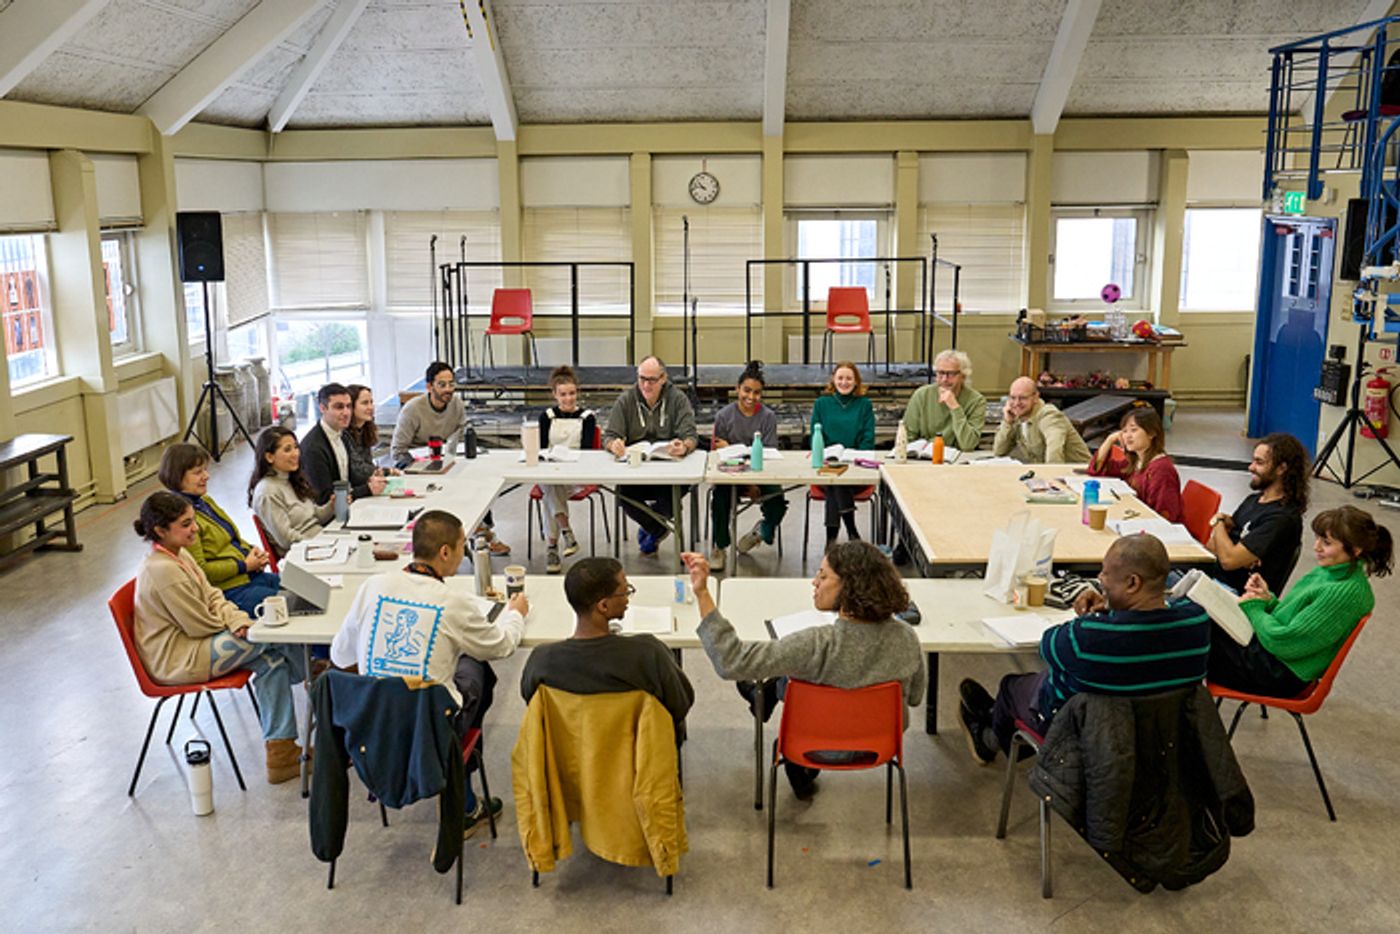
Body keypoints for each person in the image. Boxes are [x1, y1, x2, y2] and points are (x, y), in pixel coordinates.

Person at [331, 509, 529, 836]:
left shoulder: (373, 585)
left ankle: (456, 789)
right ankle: (461, 799)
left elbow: (340, 655)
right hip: (432, 725)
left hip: (372, 724)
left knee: (458, 662)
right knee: (477, 665)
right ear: (445, 552)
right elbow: (503, 645)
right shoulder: (453, 600)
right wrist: (515, 614)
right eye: (462, 546)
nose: (464, 553)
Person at [683, 542, 924, 800]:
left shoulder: (814, 644)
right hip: (881, 743)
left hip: (808, 743)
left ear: (850, 586)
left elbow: (731, 661)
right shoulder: (906, 638)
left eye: (823, 576)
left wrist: (702, 593)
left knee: (794, 676)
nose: (814, 582)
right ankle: (766, 695)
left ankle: (763, 694)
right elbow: (915, 696)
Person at [958, 535, 1211, 765]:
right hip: (1162, 739)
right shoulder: (1197, 623)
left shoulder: (1086, 639)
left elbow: (1047, 646)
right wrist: (1114, 610)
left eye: (1106, 573)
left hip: (1078, 734)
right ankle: (990, 717)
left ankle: (988, 739)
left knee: (1011, 688)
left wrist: (1093, 619)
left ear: (1133, 583)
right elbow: (1163, 609)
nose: (1100, 580)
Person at [131, 491, 307, 784]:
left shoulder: (180, 553)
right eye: (186, 524)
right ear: (161, 531)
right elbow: (199, 624)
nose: (195, 529)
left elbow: (213, 596)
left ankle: (282, 753)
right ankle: (312, 678)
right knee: (274, 633)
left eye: (193, 521)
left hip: (201, 641)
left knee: (271, 660)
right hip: (181, 658)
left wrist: (238, 619)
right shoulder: (162, 571)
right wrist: (241, 625)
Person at [1208, 505, 1391, 698]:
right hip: (1272, 657)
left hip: (1279, 674)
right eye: (1318, 538)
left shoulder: (1345, 593)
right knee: (1200, 625)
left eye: (1326, 543)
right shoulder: (1331, 571)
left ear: (1355, 550)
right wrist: (1267, 599)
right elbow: (1296, 620)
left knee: (1193, 635)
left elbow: (1284, 642)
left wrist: (1254, 609)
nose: (1316, 547)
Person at [520, 557, 693, 740]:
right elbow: (681, 703)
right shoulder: (649, 654)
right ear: (603, 605)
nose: (627, 597)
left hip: (570, 759)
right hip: (638, 756)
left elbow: (533, 703)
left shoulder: (542, 660)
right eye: (624, 591)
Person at [392, 362, 510, 557]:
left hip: (446, 461)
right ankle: (479, 534)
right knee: (455, 490)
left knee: (480, 482)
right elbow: (397, 451)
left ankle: (480, 529)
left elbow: (462, 432)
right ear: (429, 387)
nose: (448, 389)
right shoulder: (413, 410)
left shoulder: (456, 403)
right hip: (419, 468)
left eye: (451, 384)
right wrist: (421, 465)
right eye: (442, 385)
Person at [159, 442, 279, 618]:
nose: (206, 476)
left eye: (205, 470)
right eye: (198, 472)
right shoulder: (183, 522)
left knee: (303, 592)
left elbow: (232, 539)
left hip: (249, 577)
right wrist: (243, 565)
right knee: (292, 605)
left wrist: (253, 551)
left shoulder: (204, 502)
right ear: (177, 477)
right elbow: (201, 571)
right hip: (230, 591)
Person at [602, 355, 699, 556]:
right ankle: (658, 529)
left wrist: (684, 446)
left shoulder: (678, 399)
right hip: (637, 470)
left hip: (671, 472)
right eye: (641, 379)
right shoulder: (627, 400)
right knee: (623, 496)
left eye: (651, 380)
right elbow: (610, 435)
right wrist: (614, 445)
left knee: (670, 499)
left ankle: (652, 529)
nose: (645, 385)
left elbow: (690, 435)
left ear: (663, 378)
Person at [1204, 432, 1309, 595]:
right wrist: (1235, 553)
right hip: (1214, 580)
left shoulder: (1281, 519)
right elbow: (1211, 546)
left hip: (1235, 596)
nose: (1251, 467)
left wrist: (1218, 521)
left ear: (1281, 468)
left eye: (1259, 462)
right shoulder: (1253, 500)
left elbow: (1228, 560)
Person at [710, 360, 788, 567]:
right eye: (746, 391)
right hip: (730, 476)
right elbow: (718, 454)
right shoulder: (723, 416)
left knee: (777, 501)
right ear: (737, 389)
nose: (751, 397)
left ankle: (762, 531)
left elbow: (769, 454)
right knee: (719, 499)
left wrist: (754, 481)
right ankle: (720, 545)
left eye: (756, 393)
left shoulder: (768, 417)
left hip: (760, 474)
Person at [537, 365, 597, 575]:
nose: (568, 398)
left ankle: (553, 546)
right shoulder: (546, 417)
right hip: (553, 471)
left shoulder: (587, 417)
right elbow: (542, 449)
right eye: (563, 394)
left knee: (549, 492)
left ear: (577, 393)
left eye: (572, 393)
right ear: (555, 394)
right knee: (551, 485)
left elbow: (589, 452)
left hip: (577, 474)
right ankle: (565, 534)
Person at [810, 361, 875, 548]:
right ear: (833, 380)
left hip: (856, 470)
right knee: (834, 479)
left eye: (848, 378)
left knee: (837, 482)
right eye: (840, 378)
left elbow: (867, 437)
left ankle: (831, 540)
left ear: (856, 382)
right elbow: (816, 435)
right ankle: (852, 532)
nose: (844, 382)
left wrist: (856, 459)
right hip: (827, 466)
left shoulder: (864, 404)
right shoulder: (822, 404)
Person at [1087, 405, 1184, 523]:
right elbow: (1098, 469)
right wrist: (1110, 439)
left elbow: (1164, 517)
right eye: (1124, 431)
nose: (1127, 436)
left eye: (1134, 430)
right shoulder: (1136, 461)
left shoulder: (1161, 470)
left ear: (1151, 433)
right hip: (1134, 518)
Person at [249, 426, 335, 556]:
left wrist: (332, 506)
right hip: (302, 554)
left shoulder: (291, 478)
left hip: (319, 543)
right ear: (269, 457)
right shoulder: (267, 491)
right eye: (287, 450)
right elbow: (286, 539)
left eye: (296, 447)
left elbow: (314, 516)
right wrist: (320, 544)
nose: (296, 454)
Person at [301, 382, 387, 505]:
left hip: (350, 505)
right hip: (330, 516)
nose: (346, 413)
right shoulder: (313, 448)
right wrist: (366, 489)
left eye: (349, 406)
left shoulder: (342, 435)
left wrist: (372, 479)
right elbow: (325, 497)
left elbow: (351, 478)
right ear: (323, 408)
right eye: (339, 407)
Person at [992, 376, 1091, 464]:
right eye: (1013, 398)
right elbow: (999, 452)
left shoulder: (1049, 415)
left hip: (1079, 477)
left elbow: (1054, 453)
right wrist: (1007, 423)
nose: (1016, 403)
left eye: (1022, 398)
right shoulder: (1017, 417)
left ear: (1035, 397)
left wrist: (1050, 479)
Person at [903, 349, 986, 452]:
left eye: (951, 374)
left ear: (963, 376)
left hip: (958, 459)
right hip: (924, 458)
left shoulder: (976, 401)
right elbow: (907, 438)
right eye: (940, 373)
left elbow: (968, 445)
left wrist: (955, 407)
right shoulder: (922, 395)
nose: (944, 379)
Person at [345, 383, 397, 498]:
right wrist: (384, 472)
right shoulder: (344, 435)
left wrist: (381, 471)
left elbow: (367, 466)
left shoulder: (364, 430)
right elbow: (359, 472)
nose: (370, 407)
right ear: (351, 407)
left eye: (371, 402)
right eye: (365, 403)